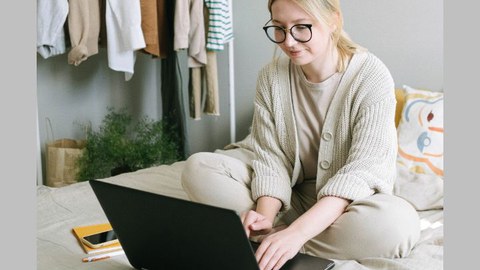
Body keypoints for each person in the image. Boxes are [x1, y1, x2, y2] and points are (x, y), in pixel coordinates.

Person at [181, 0, 420, 269]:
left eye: (302, 28)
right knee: (198, 168)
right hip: (292, 200)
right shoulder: (271, 77)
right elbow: (271, 160)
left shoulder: (371, 77)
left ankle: (280, 242)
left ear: (333, 21)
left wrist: (298, 234)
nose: (289, 42)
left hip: (347, 207)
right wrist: (264, 218)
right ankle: (269, 236)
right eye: (279, 28)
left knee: (399, 224)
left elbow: (363, 171)